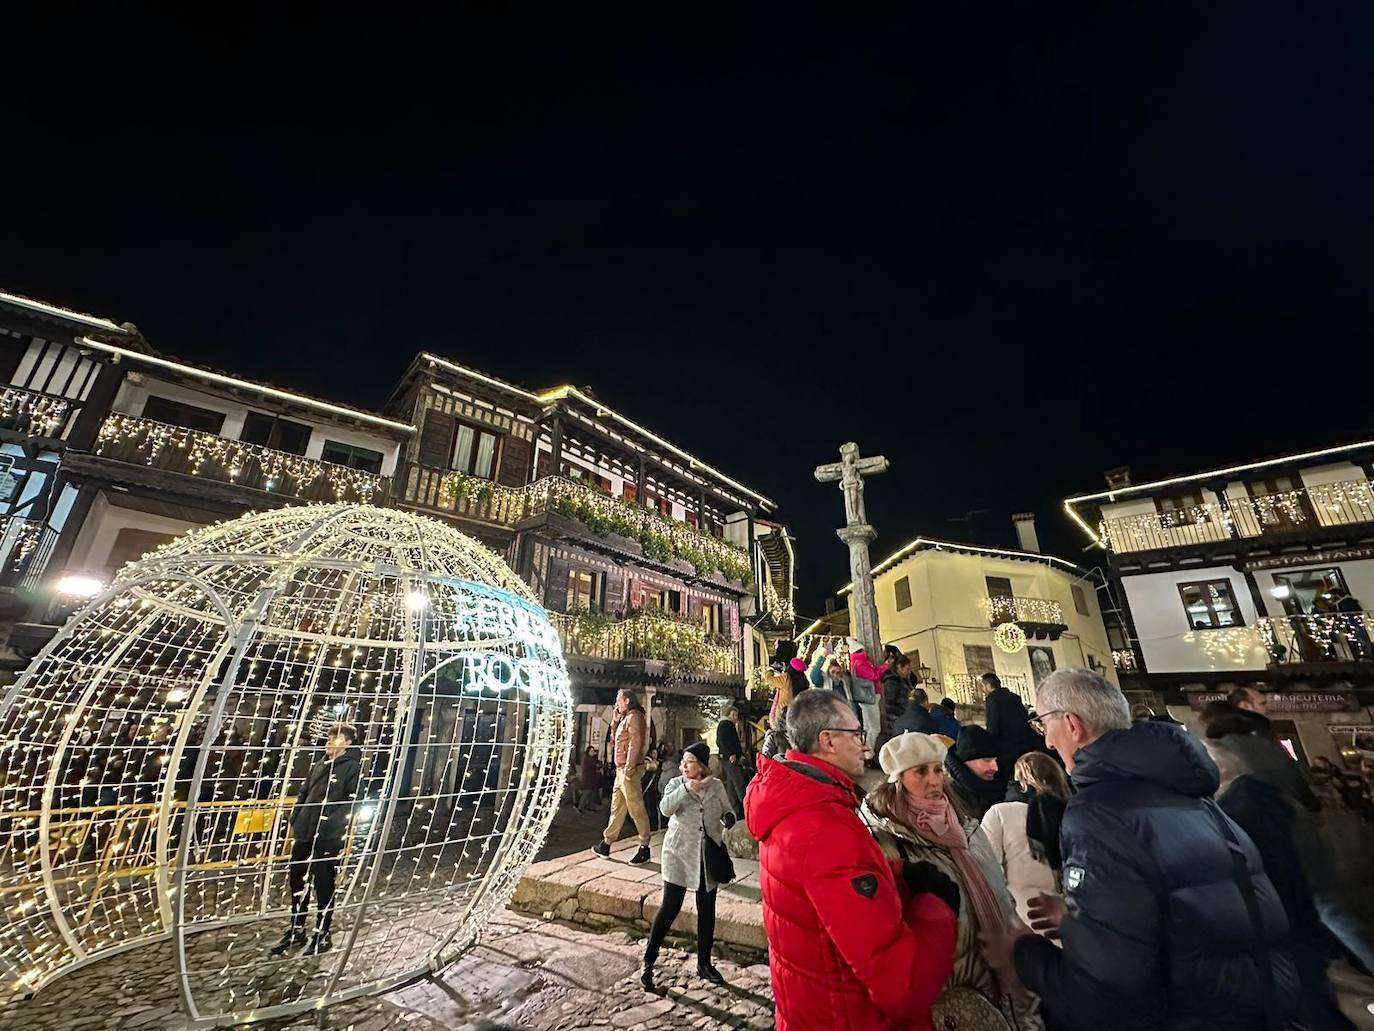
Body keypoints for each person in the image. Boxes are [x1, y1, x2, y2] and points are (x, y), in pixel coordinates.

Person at [980, 668, 1298, 1031]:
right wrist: (1079, 925)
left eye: (1043, 723)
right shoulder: (1199, 801)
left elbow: (1108, 995)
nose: (1047, 741)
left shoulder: (1099, 813)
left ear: (1072, 725)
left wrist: (1023, 954)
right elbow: (1190, 922)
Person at [745, 689, 958, 1030]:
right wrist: (936, 908)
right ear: (827, 740)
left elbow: (820, 889)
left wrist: (895, 875)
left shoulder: (790, 801)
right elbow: (903, 987)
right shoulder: (827, 828)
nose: (864, 745)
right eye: (857, 734)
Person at [863, 732, 1045, 1030]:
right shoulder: (888, 843)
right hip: (949, 984)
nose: (934, 781)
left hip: (1003, 967)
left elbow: (998, 887)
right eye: (921, 772)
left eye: (937, 770)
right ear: (897, 781)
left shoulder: (966, 826)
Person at [1206, 741, 1356, 1030]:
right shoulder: (1250, 799)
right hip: (1291, 917)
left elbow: (1264, 869)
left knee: (1306, 1000)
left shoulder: (1243, 807)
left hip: (1281, 923)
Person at [642, 741, 734, 991]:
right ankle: (648, 962)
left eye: (689, 761)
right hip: (679, 854)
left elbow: (728, 810)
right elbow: (665, 808)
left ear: (702, 766)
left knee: (707, 909)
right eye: (683, 761)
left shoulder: (716, 786)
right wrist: (686, 788)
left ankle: (704, 963)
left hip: (707, 857)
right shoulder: (675, 784)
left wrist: (728, 818)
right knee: (669, 907)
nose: (684, 765)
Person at [270, 722, 362, 957]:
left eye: (337, 738)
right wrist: (297, 818)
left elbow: (353, 799)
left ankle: (323, 931)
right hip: (305, 832)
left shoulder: (351, 768)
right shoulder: (319, 765)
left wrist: (331, 820)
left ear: (348, 743)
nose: (330, 741)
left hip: (328, 836)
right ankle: (297, 927)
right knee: (298, 882)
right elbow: (304, 792)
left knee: (323, 883)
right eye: (330, 737)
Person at [980, 752, 1071, 926]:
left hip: (1020, 920)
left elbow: (987, 870)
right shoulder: (1070, 813)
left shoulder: (1000, 813)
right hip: (1066, 921)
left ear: (1019, 779)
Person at [593, 689, 652, 865]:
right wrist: (615, 718)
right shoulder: (625, 718)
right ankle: (606, 842)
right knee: (617, 806)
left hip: (628, 770)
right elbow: (615, 739)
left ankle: (644, 845)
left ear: (626, 700)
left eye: (618, 700)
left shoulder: (635, 717)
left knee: (635, 806)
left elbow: (636, 742)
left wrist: (629, 767)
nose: (616, 703)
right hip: (621, 770)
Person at [981, 672, 1040, 780]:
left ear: (988, 686)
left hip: (1006, 751)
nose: (983, 690)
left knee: (1012, 780)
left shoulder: (993, 699)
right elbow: (1024, 719)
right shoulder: (1014, 697)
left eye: (983, 686)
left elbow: (993, 727)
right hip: (1023, 746)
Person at [944, 726, 1007, 822]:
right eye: (987, 760)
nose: (995, 768)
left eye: (995, 761)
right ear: (966, 761)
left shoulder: (1004, 785)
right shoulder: (948, 795)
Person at [715, 701, 747, 819]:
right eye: (733, 715)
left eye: (736, 715)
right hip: (730, 759)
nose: (735, 717)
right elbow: (722, 742)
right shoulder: (726, 725)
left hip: (729, 758)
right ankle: (745, 808)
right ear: (729, 714)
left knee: (731, 785)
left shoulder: (727, 725)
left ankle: (734, 810)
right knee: (738, 784)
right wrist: (731, 754)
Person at [576, 747, 602, 813]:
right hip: (587, 779)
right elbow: (591, 766)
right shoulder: (586, 759)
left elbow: (599, 764)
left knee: (592, 794)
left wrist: (598, 765)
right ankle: (580, 808)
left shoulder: (594, 758)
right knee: (586, 793)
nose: (592, 752)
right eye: (591, 751)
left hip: (593, 779)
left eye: (593, 751)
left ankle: (590, 807)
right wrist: (596, 766)